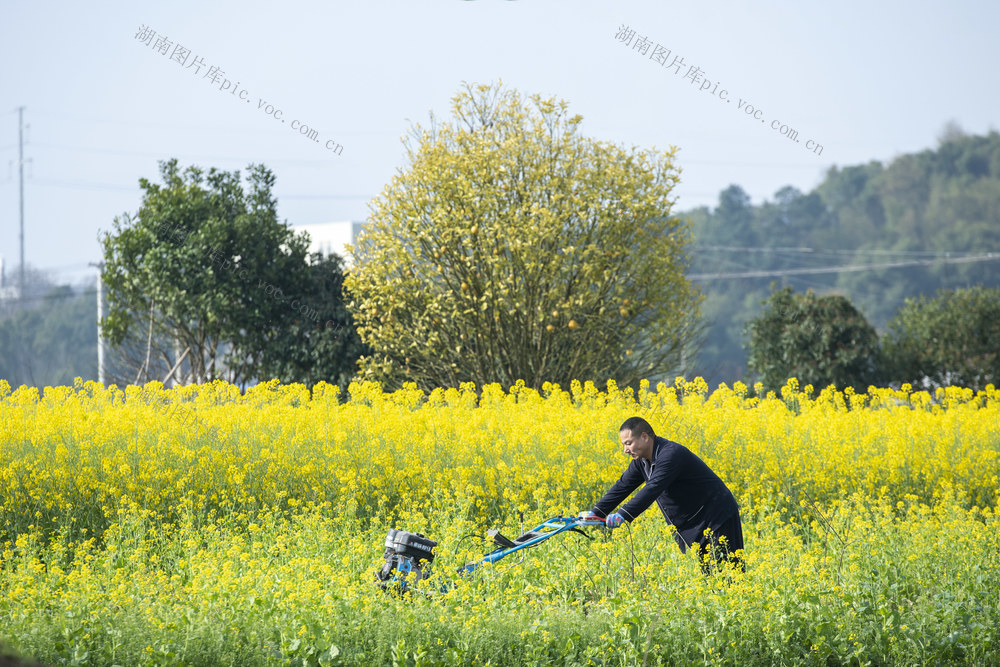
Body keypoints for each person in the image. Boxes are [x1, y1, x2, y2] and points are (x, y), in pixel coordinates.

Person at [586, 416, 744, 573]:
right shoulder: (641, 461)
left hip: (717, 516)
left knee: (728, 574)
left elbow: (653, 488)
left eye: (628, 443)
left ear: (644, 437)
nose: (625, 450)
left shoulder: (670, 455)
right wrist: (596, 512)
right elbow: (623, 486)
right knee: (711, 577)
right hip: (696, 521)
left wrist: (623, 515)